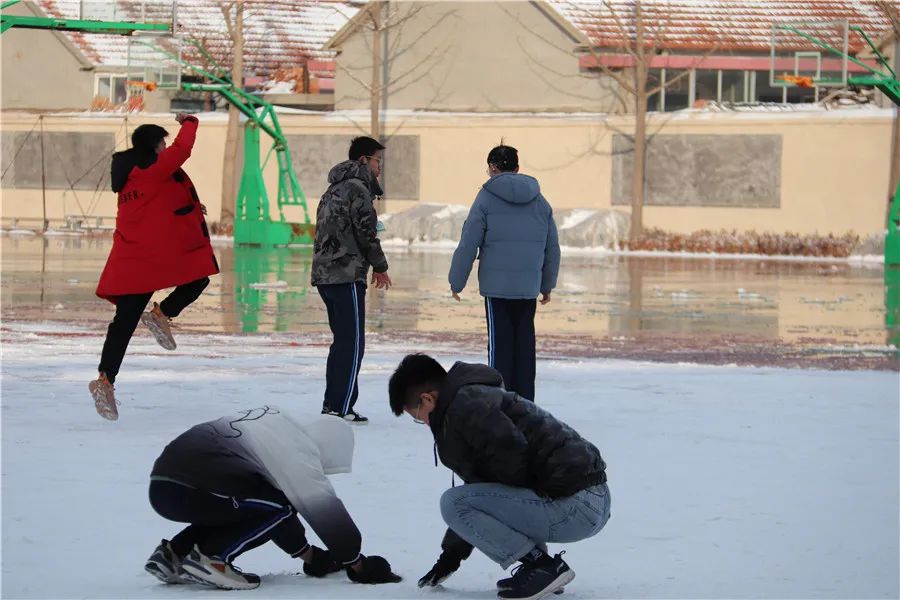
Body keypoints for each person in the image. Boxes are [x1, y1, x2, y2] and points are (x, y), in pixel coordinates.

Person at [389, 354, 610, 600]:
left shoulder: (465, 407)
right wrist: (451, 556)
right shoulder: (473, 397)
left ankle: (542, 568)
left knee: (453, 502)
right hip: (590, 499)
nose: (425, 424)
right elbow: (495, 489)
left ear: (427, 398)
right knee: (471, 498)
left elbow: (510, 462)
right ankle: (540, 569)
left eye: (418, 417)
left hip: (575, 506)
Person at [144, 407, 402, 590]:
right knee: (280, 504)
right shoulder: (299, 450)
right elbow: (321, 508)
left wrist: (310, 555)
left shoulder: (276, 422)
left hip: (166, 487)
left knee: (250, 504)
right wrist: (356, 561)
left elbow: (264, 509)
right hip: (197, 484)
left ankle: (173, 554)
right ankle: (213, 557)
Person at [90, 113, 219, 421]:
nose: (166, 147)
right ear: (153, 146)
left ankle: (105, 380)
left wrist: (189, 210)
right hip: (151, 258)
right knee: (198, 279)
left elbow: (155, 206)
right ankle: (162, 314)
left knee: (123, 323)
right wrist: (189, 120)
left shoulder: (131, 177)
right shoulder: (154, 169)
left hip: (133, 261)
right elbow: (184, 148)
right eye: (162, 142)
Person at [448, 144, 560, 401]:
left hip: (496, 288)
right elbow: (552, 247)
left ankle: (500, 401)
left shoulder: (485, 198)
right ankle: (525, 404)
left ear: (492, 167)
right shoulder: (540, 201)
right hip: (527, 287)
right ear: (517, 169)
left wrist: (457, 281)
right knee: (524, 347)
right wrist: (547, 285)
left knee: (500, 348)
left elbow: (469, 242)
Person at [311, 136, 392, 423]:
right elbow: (366, 234)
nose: (379, 166)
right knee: (352, 342)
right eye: (376, 160)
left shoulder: (333, 189)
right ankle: (340, 406)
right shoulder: (358, 190)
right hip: (345, 274)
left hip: (325, 275)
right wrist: (380, 266)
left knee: (342, 341)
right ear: (362, 161)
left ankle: (335, 403)